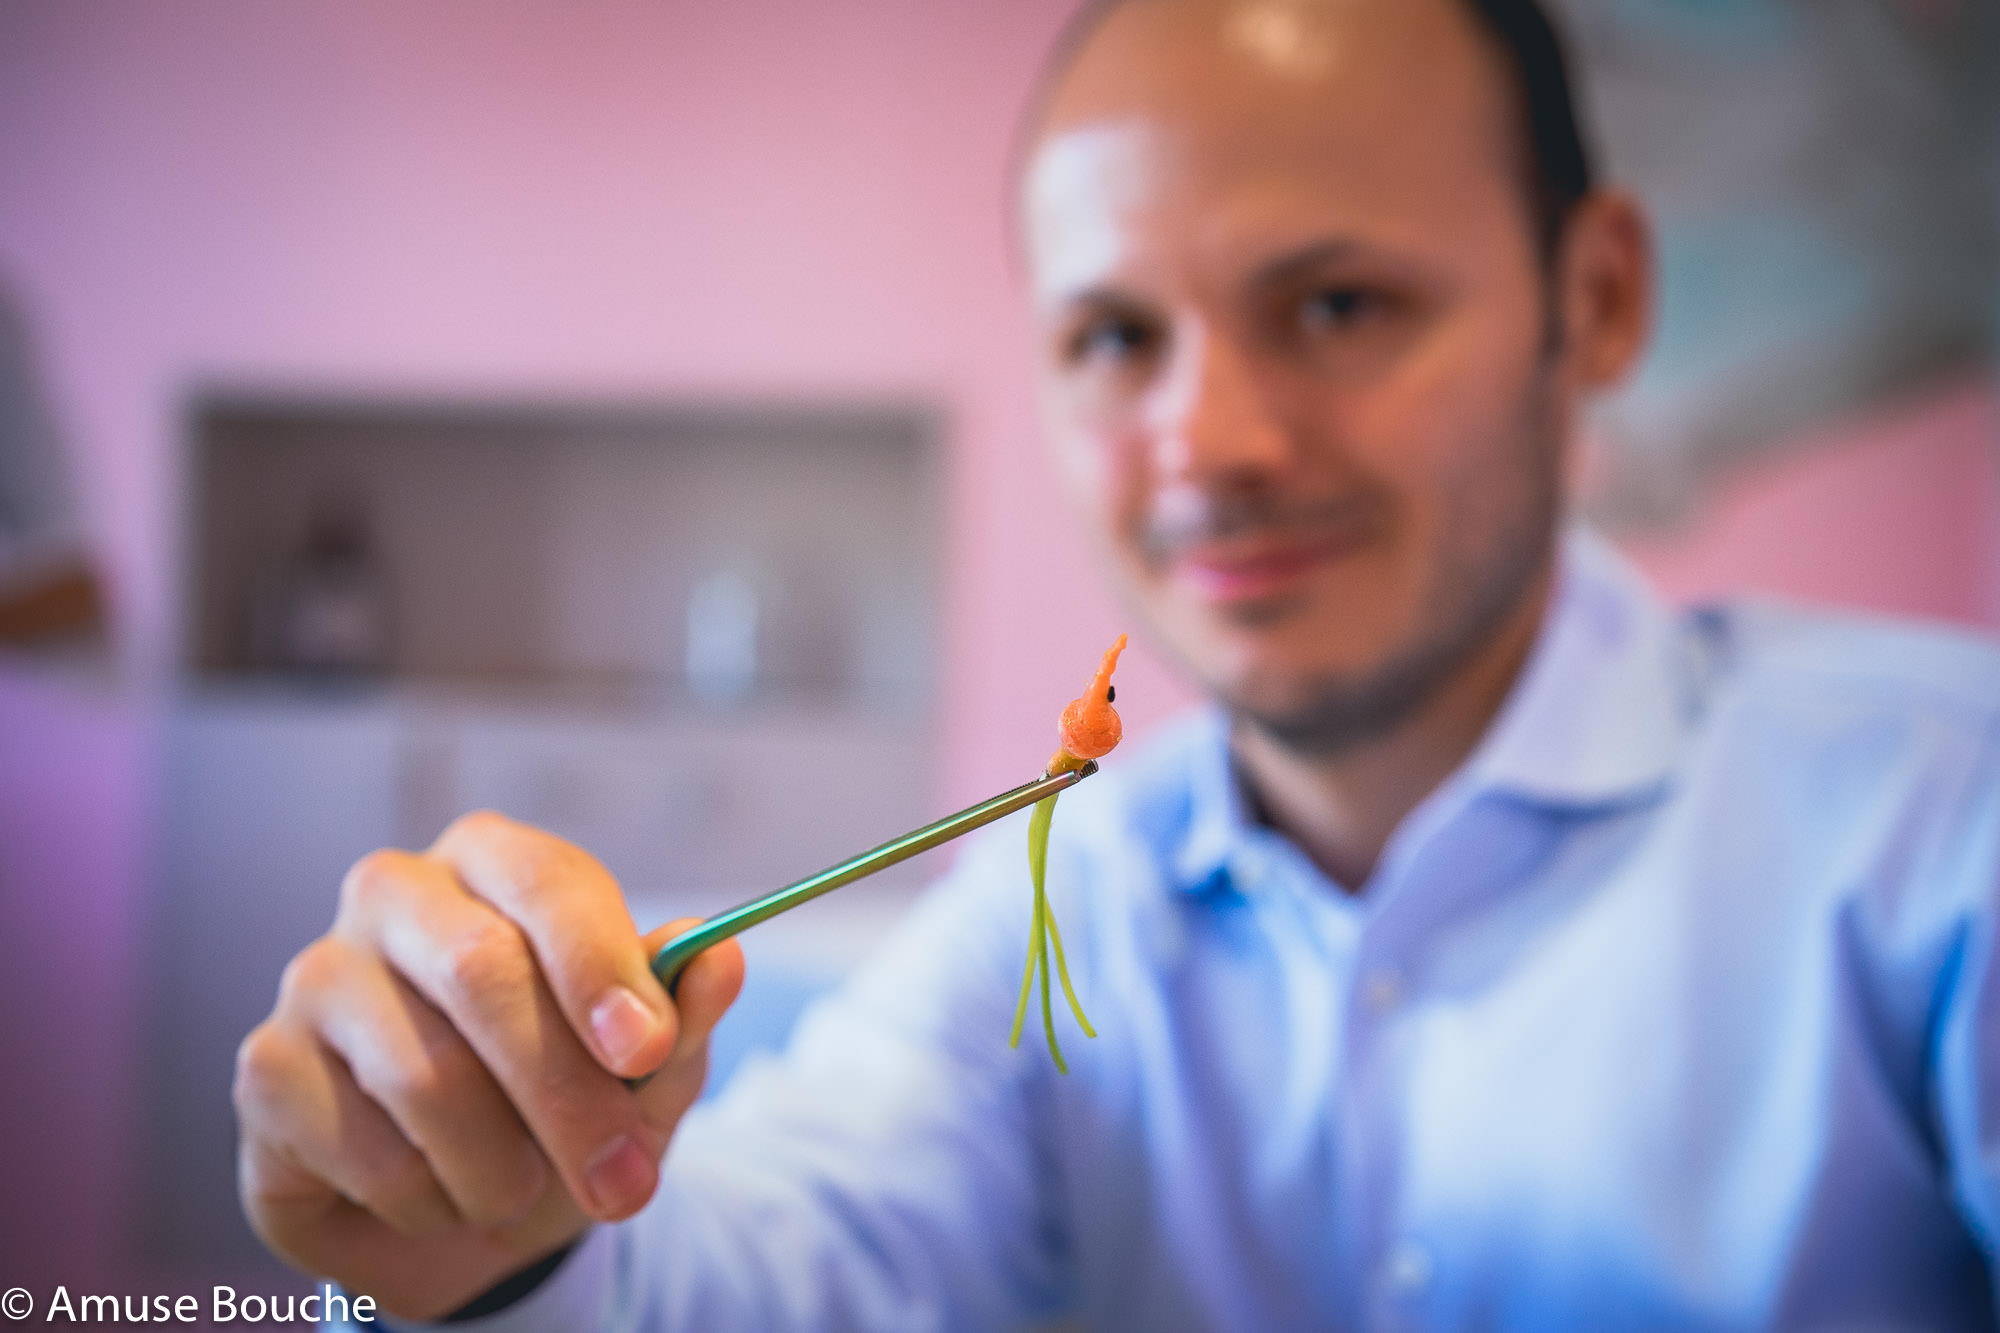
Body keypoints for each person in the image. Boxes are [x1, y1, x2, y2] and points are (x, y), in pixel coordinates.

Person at [232, 0, 2000, 1327]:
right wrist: (495, 1234)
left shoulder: (1946, 827)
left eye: (1338, 304)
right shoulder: (1050, 912)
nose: (1206, 440)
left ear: (1596, 298)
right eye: (1114, 335)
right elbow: (772, 1271)